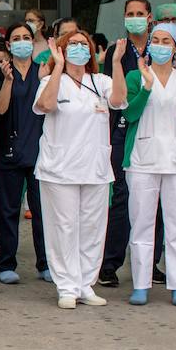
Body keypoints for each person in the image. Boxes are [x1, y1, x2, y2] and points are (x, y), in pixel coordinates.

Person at [34, 30, 128, 309]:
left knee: (92, 228)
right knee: (63, 227)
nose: (78, 49)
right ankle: (66, 286)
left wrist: (118, 63)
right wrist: (58, 67)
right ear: (61, 49)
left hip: (95, 167)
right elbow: (46, 105)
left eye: (82, 45)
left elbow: (120, 100)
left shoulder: (100, 81)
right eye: (72, 44)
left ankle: (85, 284)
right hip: (59, 169)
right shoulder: (50, 82)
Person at [121, 21, 176, 306]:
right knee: (141, 224)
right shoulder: (135, 76)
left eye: (167, 41)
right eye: (156, 40)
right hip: (143, 159)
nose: (160, 46)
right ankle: (141, 284)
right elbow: (129, 115)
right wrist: (147, 87)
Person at [99, 0, 152, 288]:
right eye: (129, 13)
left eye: (139, 13)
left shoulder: (162, 47)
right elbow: (112, 92)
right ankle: (110, 263)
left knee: (153, 201)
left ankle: (150, 263)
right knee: (121, 196)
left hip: (155, 129)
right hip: (122, 128)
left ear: (149, 16)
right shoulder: (115, 51)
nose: (134, 17)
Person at [0, 27, 49, 284]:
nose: (22, 43)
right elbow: (0, 108)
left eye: (26, 38)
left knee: (42, 211)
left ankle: (46, 264)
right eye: (16, 39)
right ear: (8, 44)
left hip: (40, 151)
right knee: (8, 211)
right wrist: (8, 81)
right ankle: (5, 264)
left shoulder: (43, 71)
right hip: (10, 149)